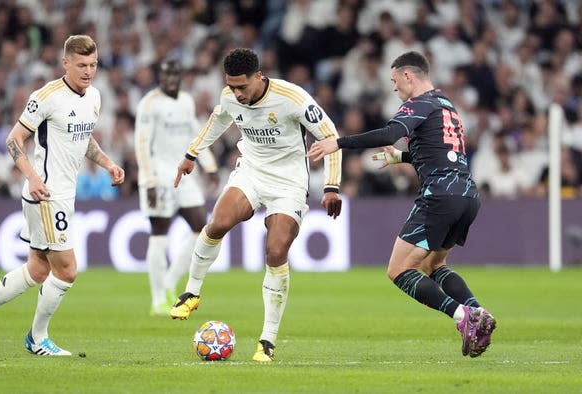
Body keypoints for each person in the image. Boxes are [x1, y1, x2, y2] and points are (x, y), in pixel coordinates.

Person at [308, 51, 496, 358]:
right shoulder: (447, 105)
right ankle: (478, 311)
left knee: (398, 270)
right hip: (467, 195)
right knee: (434, 265)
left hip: (439, 195)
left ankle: (464, 317)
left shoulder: (418, 103)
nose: (394, 88)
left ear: (409, 76)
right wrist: (401, 157)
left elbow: (390, 133)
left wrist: (337, 143)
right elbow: (442, 152)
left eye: (395, 81)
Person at [0, 35, 125, 357]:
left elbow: (83, 139)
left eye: (93, 65)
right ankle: (37, 337)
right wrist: (31, 177)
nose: (88, 72)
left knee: (37, 270)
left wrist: (107, 163)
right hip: (46, 194)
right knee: (67, 270)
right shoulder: (46, 97)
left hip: (63, 194)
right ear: (65, 63)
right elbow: (13, 139)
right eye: (81, 65)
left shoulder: (95, 97)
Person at [170, 48, 342, 362]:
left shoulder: (293, 98)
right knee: (217, 223)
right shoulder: (229, 97)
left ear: (258, 77)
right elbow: (217, 120)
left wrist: (331, 186)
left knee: (275, 251)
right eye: (231, 87)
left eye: (242, 87)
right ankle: (192, 292)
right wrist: (191, 154)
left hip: (288, 182)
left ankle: (267, 340)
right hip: (251, 171)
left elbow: (330, 137)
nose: (236, 94)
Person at [134, 59, 219, 316]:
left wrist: (209, 163)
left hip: (183, 173)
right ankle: (158, 298)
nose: (170, 78)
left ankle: (170, 283)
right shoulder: (149, 104)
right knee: (159, 232)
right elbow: (141, 144)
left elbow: (195, 134)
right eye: (166, 73)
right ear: (160, 76)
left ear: (180, 75)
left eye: (175, 73)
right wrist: (148, 181)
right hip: (159, 175)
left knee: (200, 228)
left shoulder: (185, 101)